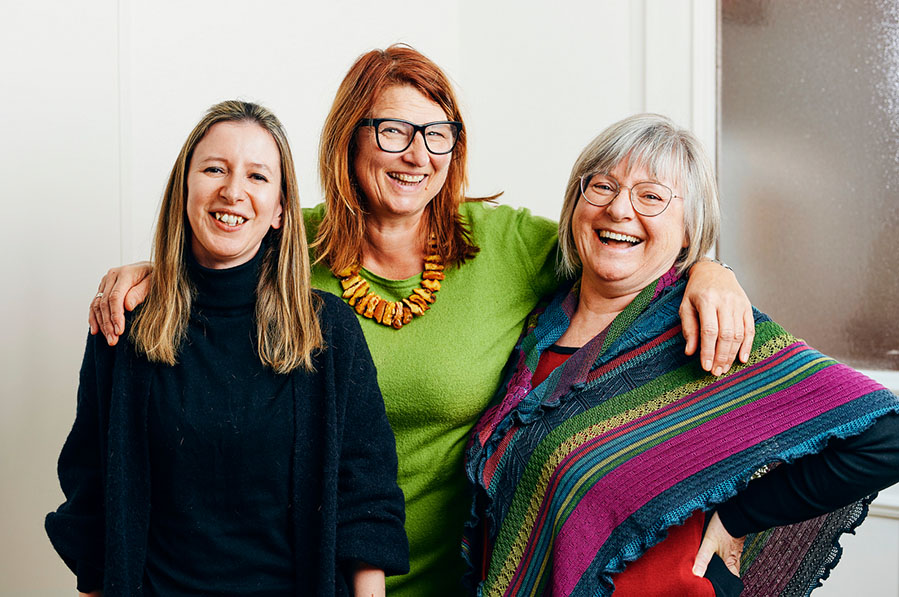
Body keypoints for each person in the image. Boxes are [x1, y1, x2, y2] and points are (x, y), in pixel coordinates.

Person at [85, 46, 755, 596]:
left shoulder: (505, 246)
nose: (416, 154)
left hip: (467, 577)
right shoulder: (293, 252)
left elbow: (620, 245)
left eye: (437, 133)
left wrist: (707, 268)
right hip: (314, 575)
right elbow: (217, 243)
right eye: (393, 130)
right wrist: (144, 275)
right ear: (349, 138)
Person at [463, 113, 899, 596]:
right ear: (575, 205)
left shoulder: (710, 330)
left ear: (690, 232)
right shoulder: (537, 327)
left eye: (651, 196)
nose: (619, 209)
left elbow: (888, 437)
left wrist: (739, 517)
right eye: (602, 187)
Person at [46, 100, 408, 597]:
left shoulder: (330, 331)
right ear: (185, 189)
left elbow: (366, 503)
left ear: (282, 208)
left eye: (258, 177)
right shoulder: (123, 327)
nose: (233, 191)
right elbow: (91, 496)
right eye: (214, 168)